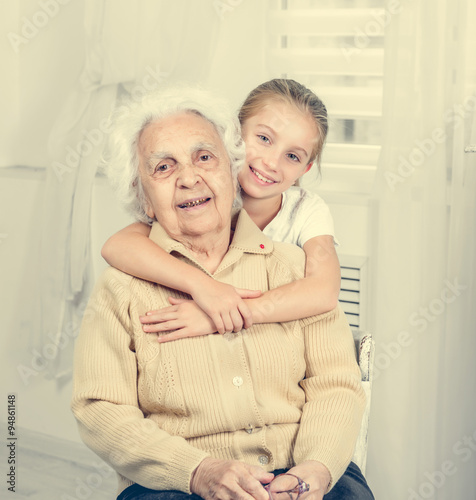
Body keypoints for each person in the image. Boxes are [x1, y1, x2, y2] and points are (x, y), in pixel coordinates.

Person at [71, 86, 374, 500]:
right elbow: (101, 409)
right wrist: (198, 471)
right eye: (163, 167)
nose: (189, 177)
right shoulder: (121, 287)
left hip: (300, 468)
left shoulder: (295, 268)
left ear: (232, 171)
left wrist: (314, 470)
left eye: (204, 157)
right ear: (143, 200)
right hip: (181, 481)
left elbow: (335, 384)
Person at [100, 79, 340, 340]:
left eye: (293, 156)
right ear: (233, 135)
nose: (271, 162)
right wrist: (202, 286)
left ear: (304, 169)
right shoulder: (205, 196)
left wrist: (222, 314)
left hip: (275, 337)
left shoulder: (306, 210)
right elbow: (117, 246)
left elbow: (323, 290)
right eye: (263, 139)